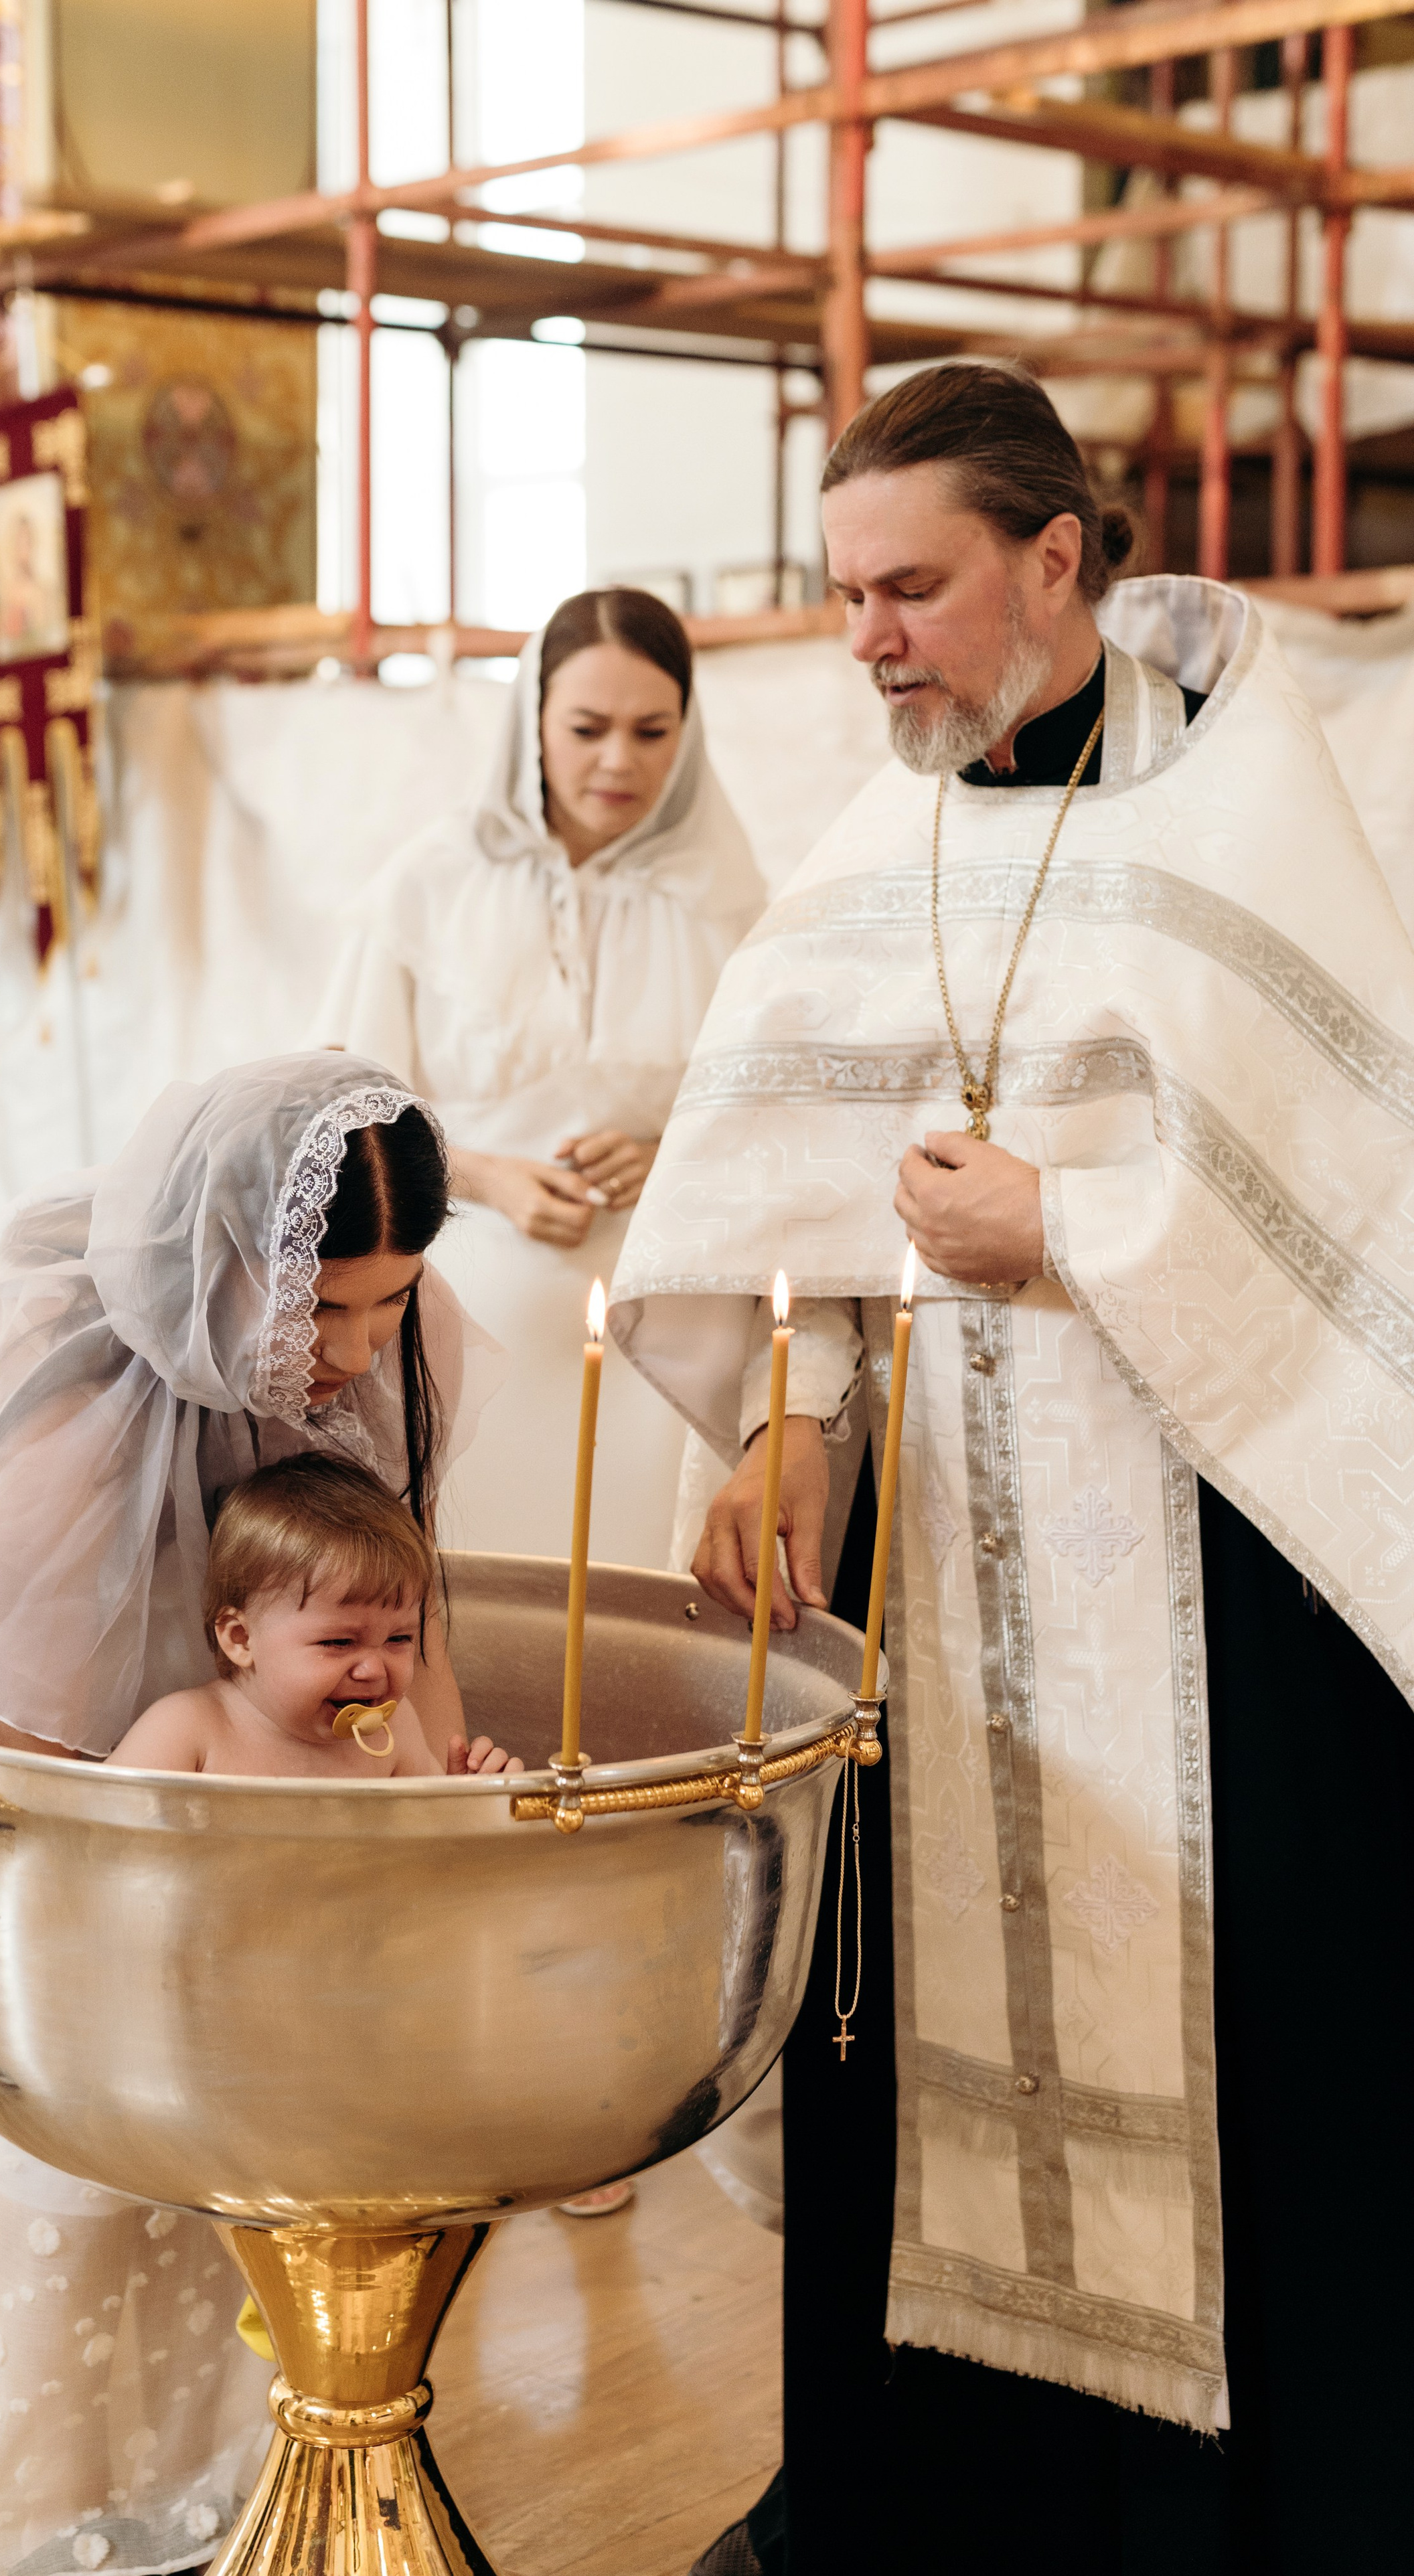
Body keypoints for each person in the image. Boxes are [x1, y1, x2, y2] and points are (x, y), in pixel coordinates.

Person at [610, 364, 1414, 2573]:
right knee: (914, 2033)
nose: (865, 635)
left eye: (912, 586)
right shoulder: (885, 835)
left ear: (1057, 560)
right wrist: (794, 1411)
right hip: (940, 1587)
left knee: (1253, 2046)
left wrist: (1059, 1230)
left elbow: (1356, 1228)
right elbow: (780, 1189)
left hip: (1210, 1569)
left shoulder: (1249, 817)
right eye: (843, 589)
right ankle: (937, 2510)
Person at [0, 1054, 498, 2576]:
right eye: (325, 1310)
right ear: (233, 1261)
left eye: (389, 1302)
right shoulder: (71, 1416)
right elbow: (28, 1781)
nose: (359, 1351)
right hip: (93, 1820)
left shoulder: (394, 1352)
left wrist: (432, 1805)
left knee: (261, 2157)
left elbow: (403, 1598)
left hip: (282, 1778)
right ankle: (46, 2516)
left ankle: (235, 2482)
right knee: (81, 2180)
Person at [321, 585, 763, 1569]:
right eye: (588, 727)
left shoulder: (728, 903)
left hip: (669, 1333)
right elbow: (339, 1115)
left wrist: (668, 1154)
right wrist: (487, 1177)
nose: (620, 760)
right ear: (532, 726)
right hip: (470, 1318)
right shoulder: (428, 886)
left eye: (653, 731)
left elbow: (770, 1124)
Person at [107, 1453, 522, 1779]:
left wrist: (463, 1799)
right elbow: (93, 1842)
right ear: (240, 1639)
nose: (373, 1669)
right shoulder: (188, 1730)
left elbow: (431, 1860)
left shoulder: (395, 1734)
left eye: (399, 1639)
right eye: (339, 1642)